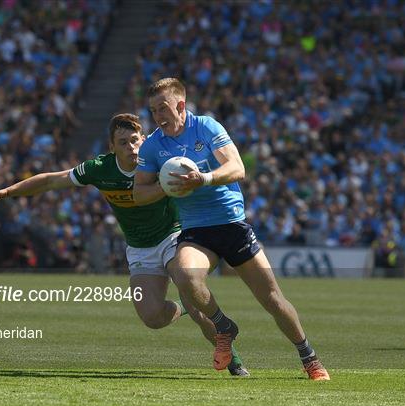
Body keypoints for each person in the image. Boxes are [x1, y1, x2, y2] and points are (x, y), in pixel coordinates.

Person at [0, 113, 249, 376]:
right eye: (123, 142)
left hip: (174, 237)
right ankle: (185, 305)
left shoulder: (159, 160)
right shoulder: (99, 169)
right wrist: (3, 193)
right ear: (112, 147)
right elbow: (50, 181)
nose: (131, 147)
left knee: (195, 298)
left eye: (135, 140)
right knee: (152, 317)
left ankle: (234, 361)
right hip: (140, 248)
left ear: (144, 139)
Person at [133, 78, 329, 380]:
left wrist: (205, 179)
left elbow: (237, 168)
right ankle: (223, 326)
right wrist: (165, 185)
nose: (158, 116)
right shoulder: (153, 145)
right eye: (153, 110)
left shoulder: (207, 127)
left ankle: (309, 357)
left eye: (163, 108)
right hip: (196, 230)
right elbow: (138, 194)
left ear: (180, 105)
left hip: (231, 224)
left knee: (272, 299)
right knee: (185, 276)